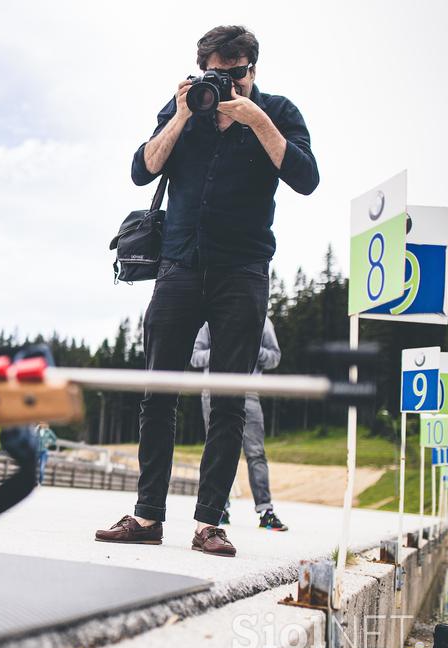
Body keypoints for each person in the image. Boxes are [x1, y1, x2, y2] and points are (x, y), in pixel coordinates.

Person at [95, 26, 317, 557]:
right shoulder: (187, 108)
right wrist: (179, 115)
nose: (228, 82)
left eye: (237, 72)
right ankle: (148, 515)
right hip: (179, 265)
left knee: (229, 398)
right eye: (217, 72)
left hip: (243, 270)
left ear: (253, 70)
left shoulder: (278, 111)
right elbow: (140, 170)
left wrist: (256, 119)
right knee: (158, 393)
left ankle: (209, 522)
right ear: (202, 69)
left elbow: (306, 178)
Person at [191, 318, 288, 531]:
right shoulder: (208, 322)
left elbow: (274, 357)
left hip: (248, 392)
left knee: (256, 453)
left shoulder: (263, 320)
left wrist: (252, 349)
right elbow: (194, 357)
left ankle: (265, 511)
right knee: (215, 451)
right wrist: (221, 349)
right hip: (212, 391)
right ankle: (217, 510)